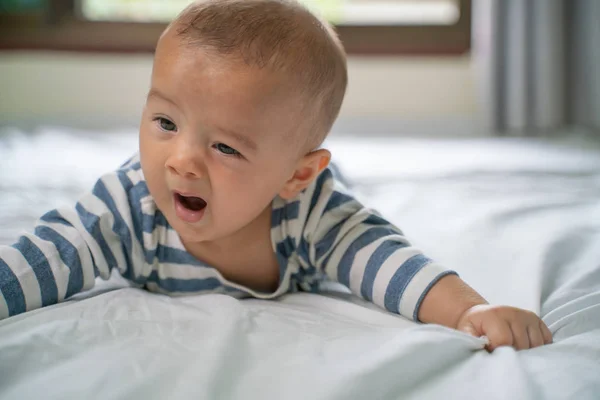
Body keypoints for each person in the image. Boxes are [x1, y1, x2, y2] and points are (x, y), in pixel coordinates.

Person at [0, 0, 551, 351]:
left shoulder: (311, 213)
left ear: (298, 176)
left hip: (307, 195)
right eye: (165, 122)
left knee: (354, 209)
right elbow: (50, 253)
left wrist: (472, 311)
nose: (181, 160)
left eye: (223, 146)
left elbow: (390, 261)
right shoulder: (129, 203)